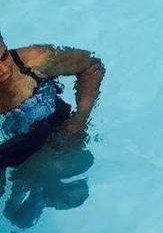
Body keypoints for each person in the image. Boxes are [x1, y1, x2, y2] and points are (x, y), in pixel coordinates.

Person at [0, 33, 104, 172]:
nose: (4, 70)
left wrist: (79, 118)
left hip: (60, 141)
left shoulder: (35, 61)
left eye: (4, 57)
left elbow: (92, 66)